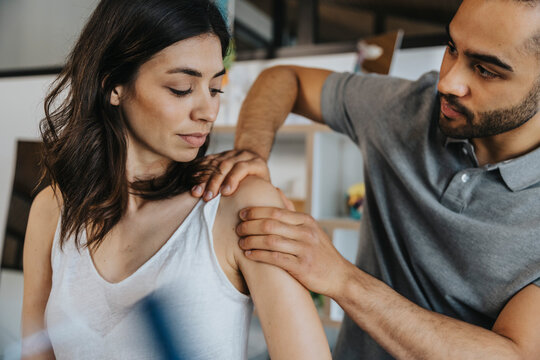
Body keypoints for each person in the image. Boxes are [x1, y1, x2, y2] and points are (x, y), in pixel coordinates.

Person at [193, 0, 540, 358]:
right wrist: (251, 151)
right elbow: (285, 79)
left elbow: (513, 355)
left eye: (485, 70)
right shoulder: (408, 108)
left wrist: (342, 279)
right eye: (452, 48)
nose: (448, 82)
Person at [21, 1, 332, 359]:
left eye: (215, 89)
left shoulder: (240, 207)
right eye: (182, 88)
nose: (208, 111)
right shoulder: (52, 211)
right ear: (113, 85)